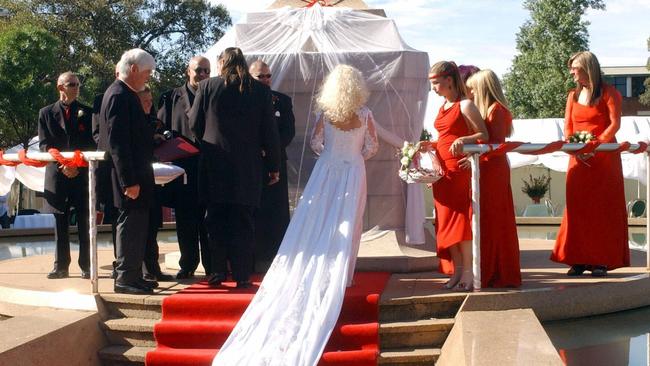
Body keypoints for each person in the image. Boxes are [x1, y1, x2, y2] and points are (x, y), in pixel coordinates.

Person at [211, 64, 378, 366]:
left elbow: (316, 144)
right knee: (350, 222)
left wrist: (331, 154)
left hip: (327, 170)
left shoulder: (324, 113)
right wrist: (353, 157)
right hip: (353, 171)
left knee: (319, 221)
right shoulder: (365, 114)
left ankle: (321, 260)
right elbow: (371, 146)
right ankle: (347, 275)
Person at [189, 47, 281, 288]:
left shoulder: (208, 87)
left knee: (216, 218)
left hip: (214, 163)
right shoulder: (260, 90)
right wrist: (273, 165)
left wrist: (208, 141)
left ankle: (218, 271)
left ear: (221, 63)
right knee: (244, 220)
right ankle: (242, 274)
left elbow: (194, 123)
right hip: (247, 165)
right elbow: (269, 132)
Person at [551, 51, 629, 277]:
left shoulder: (609, 93)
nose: (572, 73)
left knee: (602, 209)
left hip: (603, 160)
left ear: (588, 68)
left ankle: (600, 260)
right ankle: (578, 259)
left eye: (575, 68)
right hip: (578, 160)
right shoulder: (572, 96)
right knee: (577, 209)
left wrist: (594, 146)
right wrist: (575, 148)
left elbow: (614, 125)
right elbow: (568, 126)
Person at [99, 48, 157, 294]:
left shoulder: (126, 94)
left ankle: (133, 274)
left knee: (137, 225)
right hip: (129, 177)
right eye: (147, 72)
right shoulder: (119, 95)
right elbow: (118, 142)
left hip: (136, 174)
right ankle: (124, 277)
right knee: (129, 225)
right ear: (133, 69)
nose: (148, 77)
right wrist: (129, 181)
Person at [428, 61, 488, 292]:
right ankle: (456, 271)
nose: (433, 88)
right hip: (441, 172)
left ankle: (468, 274)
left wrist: (464, 140)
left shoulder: (465, 105)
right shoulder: (443, 106)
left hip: (458, 170)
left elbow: (483, 134)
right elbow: (445, 136)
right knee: (446, 224)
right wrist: (429, 145)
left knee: (460, 223)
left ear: (449, 80)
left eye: (435, 83)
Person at [465, 69, 521, 288]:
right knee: (486, 219)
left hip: (492, 169)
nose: (469, 92)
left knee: (493, 219)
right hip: (486, 167)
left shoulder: (496, 110)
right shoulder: (489, 109)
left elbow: (495, 144)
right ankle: (488, 268)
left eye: (472, 88)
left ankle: (496, 271)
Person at [38, 71, 96, 279]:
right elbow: (45, 145)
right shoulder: (45, 113)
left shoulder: (87, 113)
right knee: (60, 222)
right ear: (60, 87)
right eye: (72, 84)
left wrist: (76, 167)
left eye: (78, 84)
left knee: (84, 221)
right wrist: (64, 165)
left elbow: (91, 144)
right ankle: (60, 265)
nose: (76, 87)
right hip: (57, 174)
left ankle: (87, 266)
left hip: (80, 175)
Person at [158, 55, 211, 279]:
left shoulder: (212, 95)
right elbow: (160, 127)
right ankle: (187, 263)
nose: (202, 75)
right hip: (182, 168)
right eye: (198, 70)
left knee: (209, 219)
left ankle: (212, 265)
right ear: (188, 71)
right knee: (186, 218)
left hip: (208, 166)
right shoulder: (171, 97)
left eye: (207, 71)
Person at [249, 59, 296, 272]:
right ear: (250, 77)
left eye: (268, 76)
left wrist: (271, 150)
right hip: (251, 163)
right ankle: (254, 255)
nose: (266, 80)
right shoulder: (243, 100)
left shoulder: (282, 101)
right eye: (261, 76)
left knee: (277, 210)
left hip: (276, 161)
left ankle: (278, 254)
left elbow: (288, 131)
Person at [137, 86, 174, 282]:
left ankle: (153, 268)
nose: (149, 104)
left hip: (153, 179)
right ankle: (143, 270)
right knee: (140, 227)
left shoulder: (153, 121)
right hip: (137, 180)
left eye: (151, 100)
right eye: (145, 101)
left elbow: (166, 131)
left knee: (153, 226)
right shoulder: (133, 122)